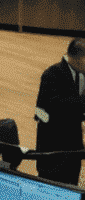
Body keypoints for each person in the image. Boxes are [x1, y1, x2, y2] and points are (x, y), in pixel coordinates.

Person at [34, 39, 85, 186]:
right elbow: (39, 113)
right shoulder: (51, 75)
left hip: (74, 148)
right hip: (52, 148)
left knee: (71, 187)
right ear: (80, 59)